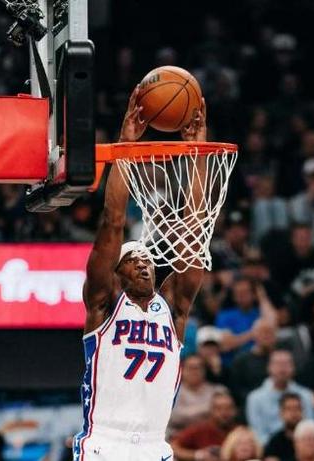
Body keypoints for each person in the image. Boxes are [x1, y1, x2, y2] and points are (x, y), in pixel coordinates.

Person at [72, 88, 208, 461]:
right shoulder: (104, 305)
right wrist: (126, 145)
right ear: (116, 272)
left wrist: (197, 151)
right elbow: (113, 221)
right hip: (104, 441)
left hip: (153, 444)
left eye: (147, 259)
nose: (144, 263)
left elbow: (194, 230)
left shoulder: (173, 308)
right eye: (133, 259)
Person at [246, 350, 314, 445]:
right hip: (269, 448)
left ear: (293, 368)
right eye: (278, 364)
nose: (282, 369)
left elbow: (309, 427)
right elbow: (258, 434)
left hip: (303, 446)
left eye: (286, 364)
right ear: (269, 367)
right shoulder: (254, 398)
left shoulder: (305, 395)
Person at [167, 355, 226, 437]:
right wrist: (208, 407)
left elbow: (224, 415)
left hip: (211, 435)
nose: (194, 372)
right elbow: (173, 417)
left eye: (198, 368)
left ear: (205, 370)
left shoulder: (218, 390)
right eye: (190, 368)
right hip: (178, 436)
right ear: (182, 370)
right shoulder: (171, 392)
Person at [170, 391, 238, 461]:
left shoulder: (239, 432)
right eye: (219, 408)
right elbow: (172, 447)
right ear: (211, 410)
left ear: (235, 410)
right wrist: (198, 455)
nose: (224, 413)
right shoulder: (199, 429)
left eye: (228, 408)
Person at [229, 319, 278, 405]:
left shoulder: (282, 359)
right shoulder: (241, 361)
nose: (266, 336)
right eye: (262, 332)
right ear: (254, 335)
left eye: (269, 332)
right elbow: (236, 390)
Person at [264, 392, 304, 461]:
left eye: (297, 408)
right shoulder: (275, 443)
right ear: (281, 413)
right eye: (289, 409)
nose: (293, 413)